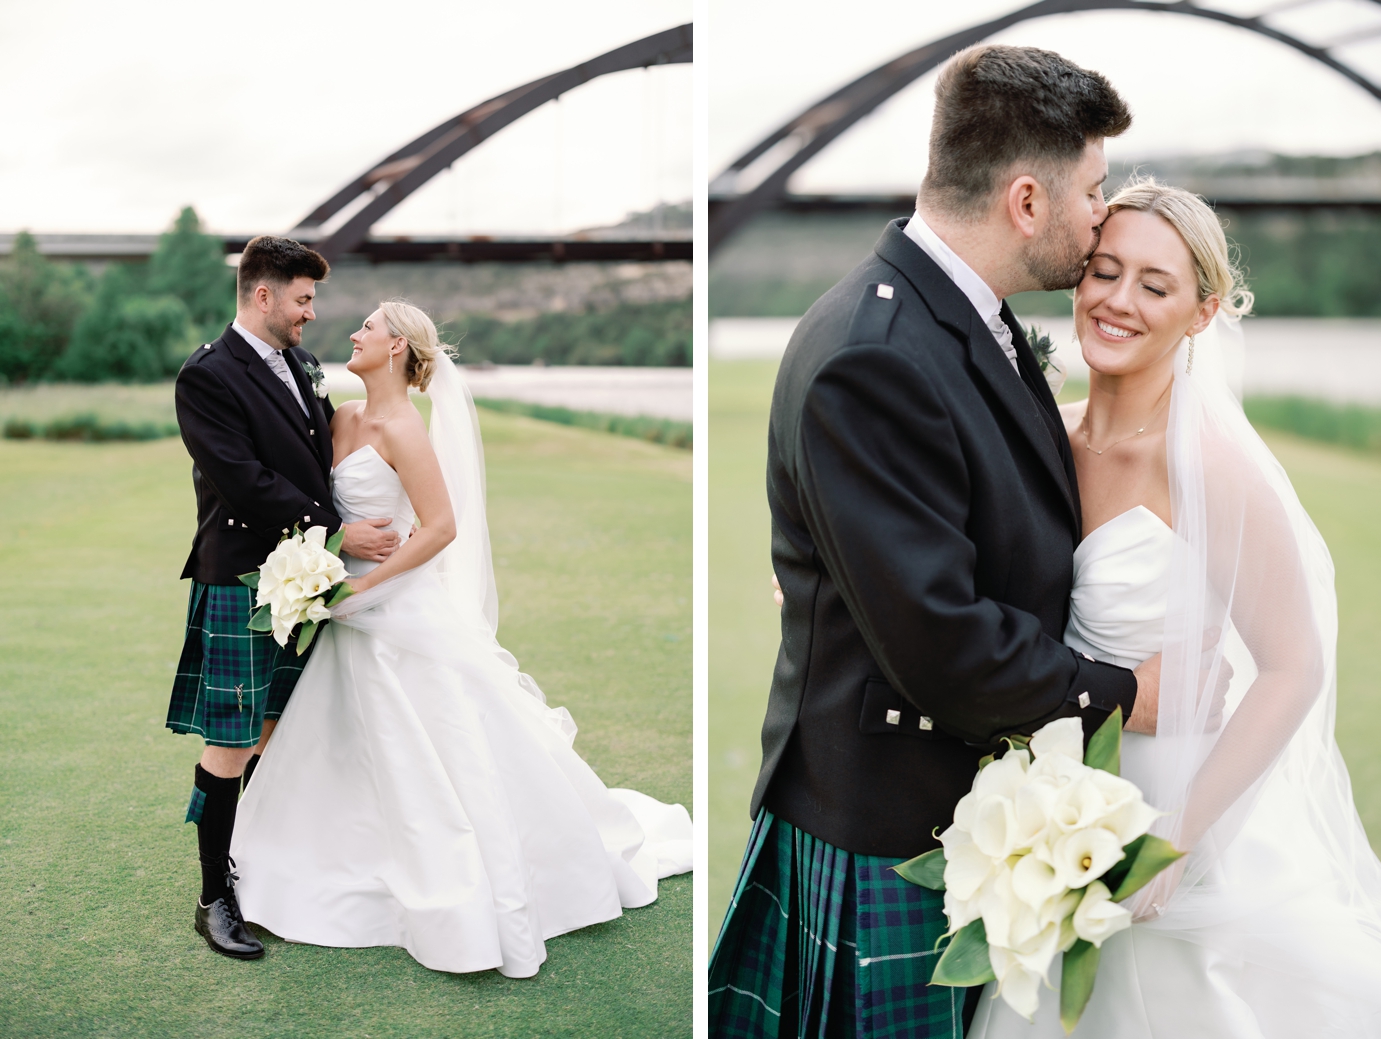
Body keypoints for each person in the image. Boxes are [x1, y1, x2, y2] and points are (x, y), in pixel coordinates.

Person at [710, 45, 1152, 1038]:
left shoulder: (956, 320)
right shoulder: (877, 354)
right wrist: (1120, 693)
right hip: (884, 817)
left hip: (947, 803)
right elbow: (940, 641)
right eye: (1090, 191)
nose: (1099, 216)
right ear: (1026, 201)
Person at [968, 180, 1381, 1036]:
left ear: (1202, 314)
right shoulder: (1044, 434)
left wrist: (1179, 838)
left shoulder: (1207, 466)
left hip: (1177, 795)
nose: (1117, 301)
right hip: (1051, 798)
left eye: (1154, 286)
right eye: (1103, 271)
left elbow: (1293, 667)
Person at [228, 300, 693, 977]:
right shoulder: (344, 416)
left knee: (434, 739)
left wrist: (361, 586)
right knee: (342, 738)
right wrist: (322, 564)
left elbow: (441, 527)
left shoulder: (403, 429)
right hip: (340, 598)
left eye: (368, 327)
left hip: (384, 603)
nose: (354, 333)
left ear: (395, 348)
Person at [169, 236, 400, 960]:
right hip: (242, 577)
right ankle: (214, 896)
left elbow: (316, 461)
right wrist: (339, 532)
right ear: (262, 295)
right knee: (232, 741)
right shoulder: (207, 376)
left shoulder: (300, 364)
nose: (311, 313)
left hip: (305, 581)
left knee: (277, 729)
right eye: (302, 299)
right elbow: (242, 480)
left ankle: (257, 868)